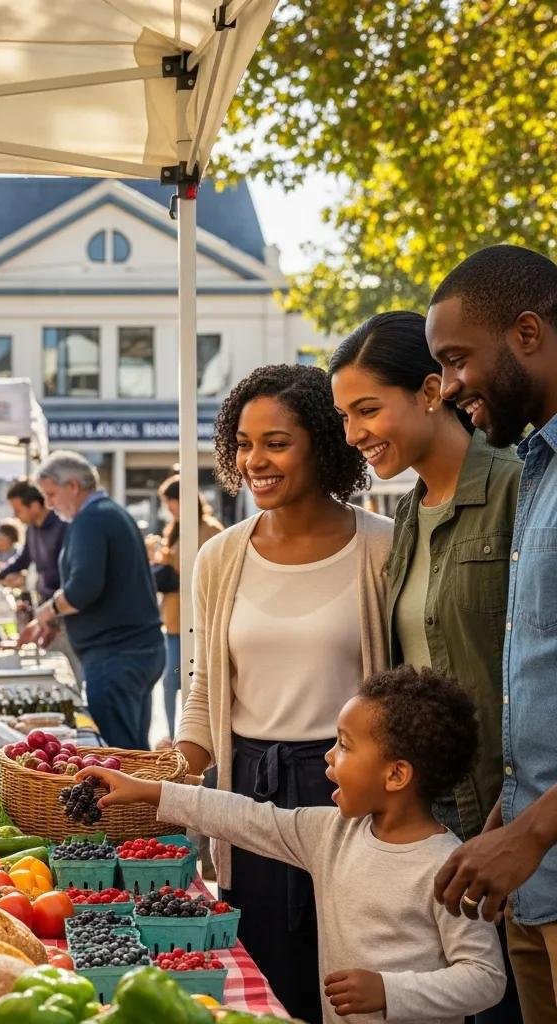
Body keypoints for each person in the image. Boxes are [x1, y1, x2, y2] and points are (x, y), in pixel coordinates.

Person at [80, 666, 506, 1024]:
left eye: (344, 745)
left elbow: (485, 977)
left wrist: (389, 991)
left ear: (395, 775)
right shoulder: (333, 833)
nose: (328, 757)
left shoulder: (449, 867)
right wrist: (149, 790)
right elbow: (247, 818)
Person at [176, 363, 392, 1022]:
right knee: (265, 981)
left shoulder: (382, 547)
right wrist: (169, 772)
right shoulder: (221, 557)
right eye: (244, 443)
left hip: (353, 793)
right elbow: (206, 685)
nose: (255, 460)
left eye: (276, 442)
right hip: (250, 792)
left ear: (322, 443)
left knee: (352, 982)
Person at [424, 245, 557, 1024]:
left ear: (529, 333)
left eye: (456, 359)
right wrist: (515, 811)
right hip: (534, 883)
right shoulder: (535, 469)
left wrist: (531, 830)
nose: (447, 387)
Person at [331, 312, 521, 842]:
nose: (353, 434)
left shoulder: (517, 485)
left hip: (509, 815)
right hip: (432, 812)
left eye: (367, 410)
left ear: (431, 391)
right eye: (344, 416)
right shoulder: (409, 517)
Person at [29, 450, 164, 750]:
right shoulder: (109, 512)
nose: (49, 504)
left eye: (51, 494)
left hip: (116, 654)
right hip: (134, 650)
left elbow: (82, 590)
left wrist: (48, 611)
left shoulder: (91, 519)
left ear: (73, 486)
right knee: (133, 750)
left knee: (120, 755)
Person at [0, 479, 80, 679]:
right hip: (44, 609)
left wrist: (53, 614)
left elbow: (70, 575)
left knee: (68, 672)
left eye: (18, 510)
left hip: (63, 611)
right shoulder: (32, 529)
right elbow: (22, 560)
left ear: (34, 505)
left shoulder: (63, 527)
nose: (16, 516)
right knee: (52, 669)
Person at [150, 474, 223, 742]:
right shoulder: (175, 528)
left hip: (197, 619)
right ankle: (173, 736)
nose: (169, 508)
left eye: (171, 501)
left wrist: (168, 564)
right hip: (172, 618)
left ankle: (195, 738)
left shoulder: (209, 530)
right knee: (170, 683)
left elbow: (205, 573)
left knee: (191, 682)